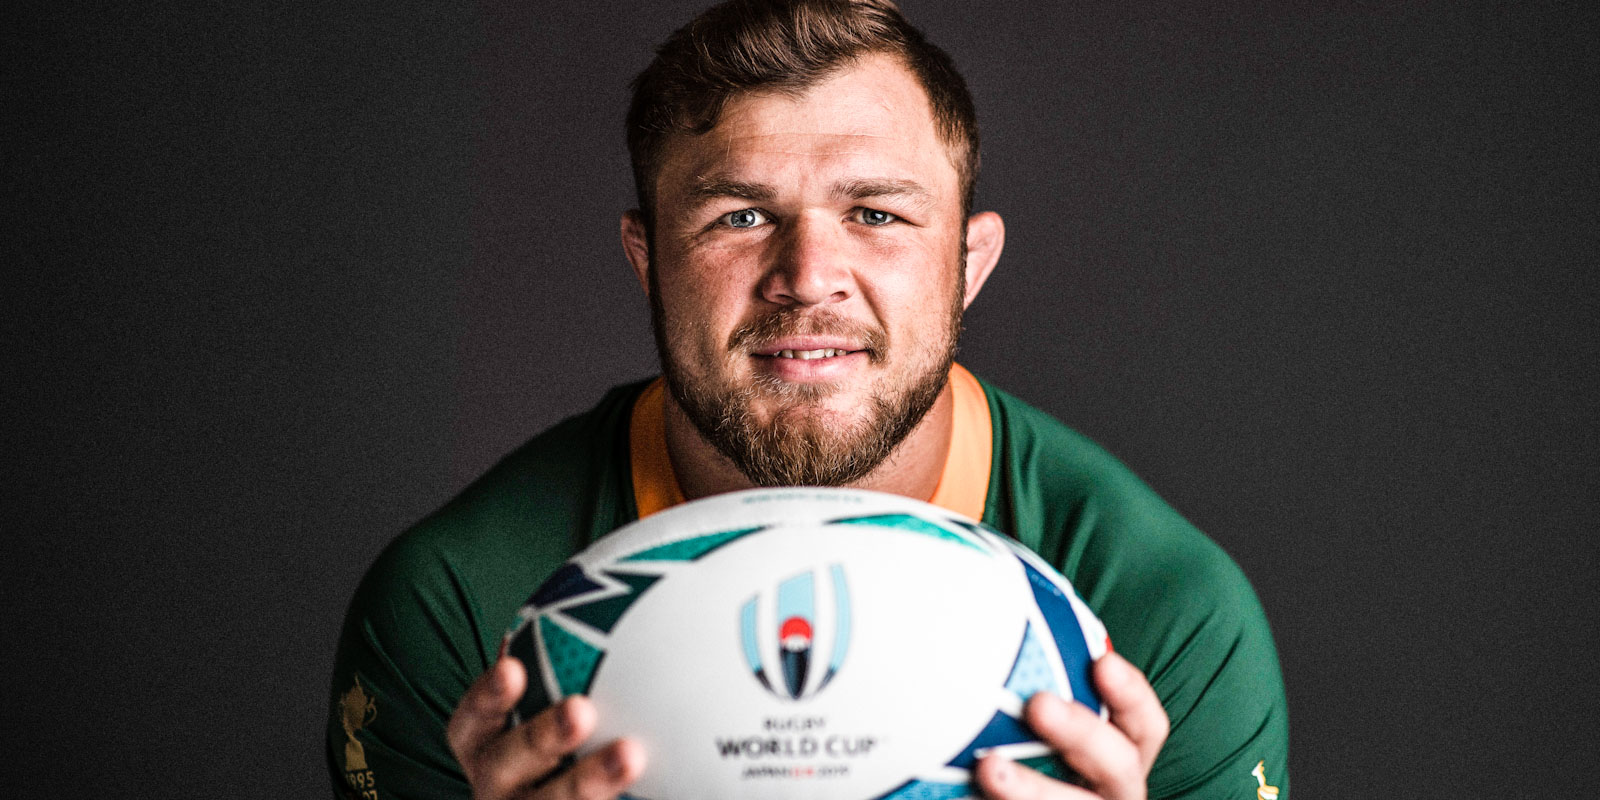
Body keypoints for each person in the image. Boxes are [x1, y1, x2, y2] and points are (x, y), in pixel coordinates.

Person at [326, 1, 1289, 798]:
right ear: (648, 260)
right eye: (740, 216)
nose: (808, 275)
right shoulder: (462, 611)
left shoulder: (1158, 621)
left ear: (968, 264)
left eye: (876, 213)